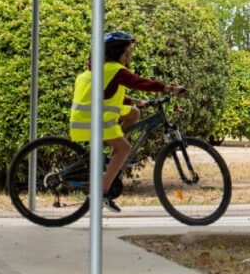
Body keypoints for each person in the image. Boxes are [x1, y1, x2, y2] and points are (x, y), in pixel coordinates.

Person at [69, 31, 185, 213]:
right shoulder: (115, 70)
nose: (128, 56)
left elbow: (109, 94)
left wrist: (138, 102)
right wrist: (169, 88)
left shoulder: (102, 69)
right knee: (125, 148)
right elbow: (140, 83)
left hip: (92, 114)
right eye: (126, 52)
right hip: (92, 119)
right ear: (116, 53)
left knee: (133, 114)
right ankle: (101, 193)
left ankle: (111, 160)